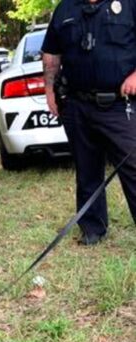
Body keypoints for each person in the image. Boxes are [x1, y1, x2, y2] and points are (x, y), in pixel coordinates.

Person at [42, 0, 136, 245]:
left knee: (133, 167)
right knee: (87, 170)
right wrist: (50, 90)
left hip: (119, 104)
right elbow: (52, 52)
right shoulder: (65, 8)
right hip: (77, 104)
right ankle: (93, 229)